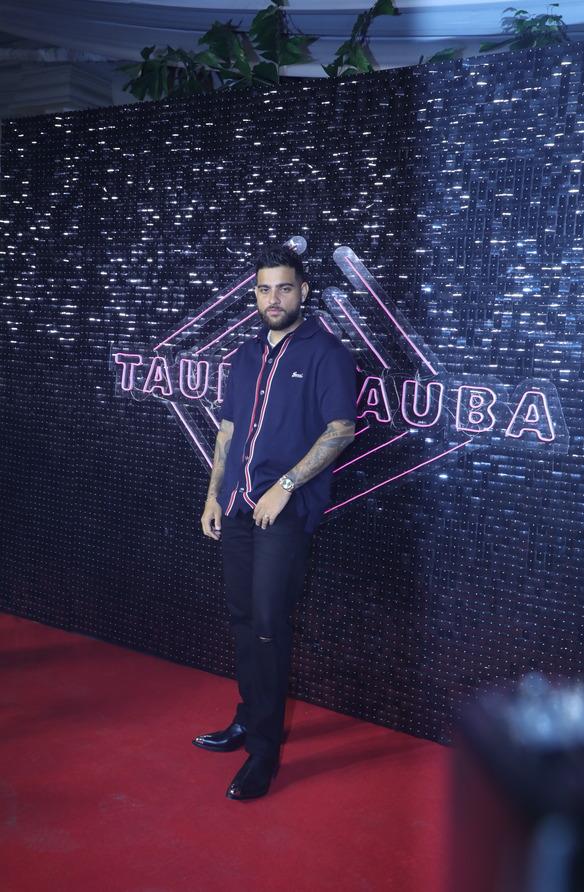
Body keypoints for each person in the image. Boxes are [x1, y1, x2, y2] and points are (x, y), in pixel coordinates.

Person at [194, 244, 357, 800]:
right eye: (264, 289)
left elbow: (340, 430)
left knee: (268, 623)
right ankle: (247, 719)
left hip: (283, 512)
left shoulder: (326, 352)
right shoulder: (244, 355)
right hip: (238, 506)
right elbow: (227, 430)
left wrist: (285, 487)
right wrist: (214, 497)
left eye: (284, 288)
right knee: (243, 616)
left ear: (303, 292)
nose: (273, 299)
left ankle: (264, 753)